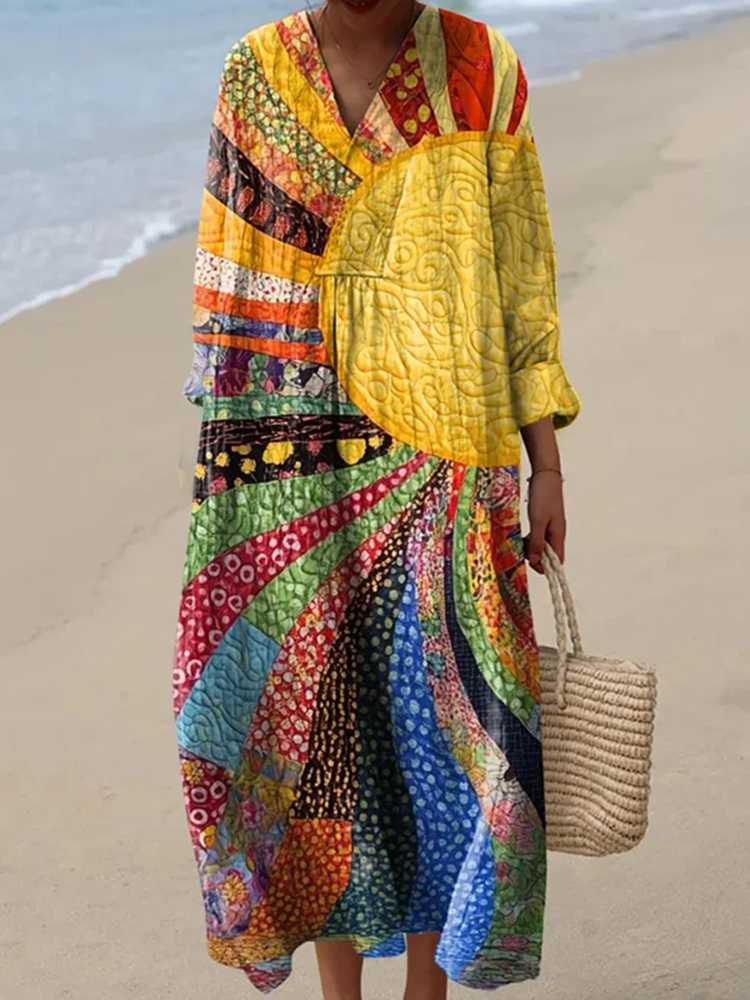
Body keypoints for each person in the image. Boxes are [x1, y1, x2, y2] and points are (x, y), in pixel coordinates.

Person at [173, 0, 581, 996]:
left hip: (448, 457)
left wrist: (547, 464)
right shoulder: (256, 71)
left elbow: (521, 283)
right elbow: (229, 279)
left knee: (448, 729)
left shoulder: (481, 69)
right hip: (292, 456)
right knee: (315, 729)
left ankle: (427, 992)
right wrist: (231, 486)